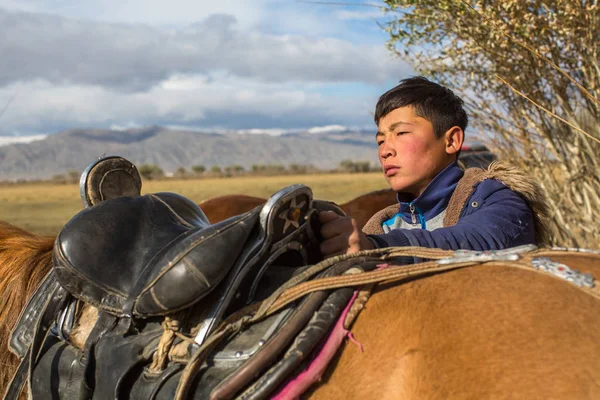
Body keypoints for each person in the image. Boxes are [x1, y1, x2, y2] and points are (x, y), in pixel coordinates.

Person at [319, 76, 549, 258]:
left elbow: (481, 240)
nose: (384, 150)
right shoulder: (383, 226)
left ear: (451, 141)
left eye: (401, 133)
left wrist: (378, 249)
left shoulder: (495, 198)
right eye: (380, 140)